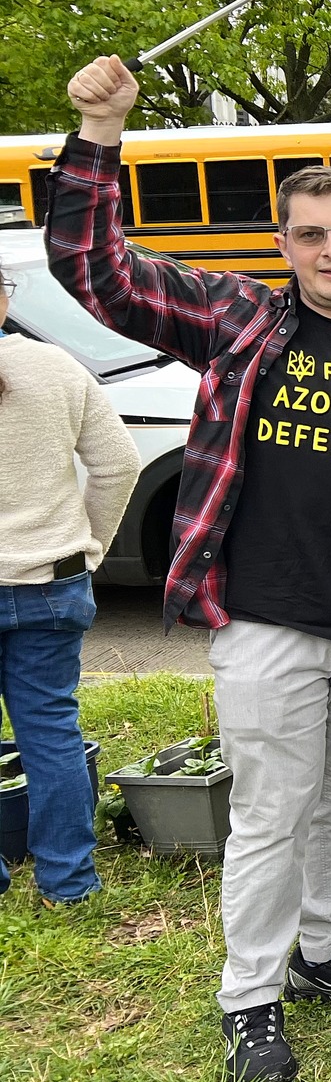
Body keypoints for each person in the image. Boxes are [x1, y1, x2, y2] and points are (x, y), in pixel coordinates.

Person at [48, 55, 331, 1082]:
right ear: (283, 247)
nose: (330, 250)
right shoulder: (242, 321)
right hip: (267, 620)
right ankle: (251, 1000)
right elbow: (99, 273)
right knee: (272, 812)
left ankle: (327, 953)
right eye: (310, 235)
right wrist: (99, 135)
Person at [0, 263, 140, 905]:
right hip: (52, 582)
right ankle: (68, 881)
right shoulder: (56, 367)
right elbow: (118, 464)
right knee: (51, 729)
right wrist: (91, 550)